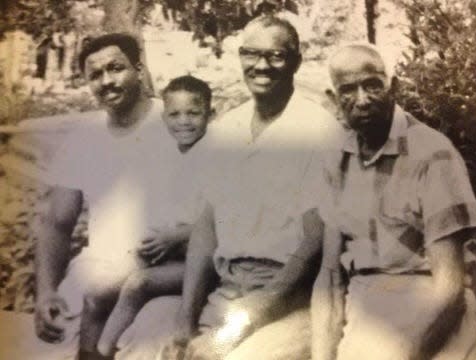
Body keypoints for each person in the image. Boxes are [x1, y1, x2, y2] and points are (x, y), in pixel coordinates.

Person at [163, 16, 341, 360]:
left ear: (296, 61)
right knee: (158, 347)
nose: (261, 66)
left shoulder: (317, 130)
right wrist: (184, 317)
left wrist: (243, 323)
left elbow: (314, 243)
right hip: (227, 289)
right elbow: (205, 227)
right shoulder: (227, 129)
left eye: (276, 56)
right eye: (251, 54)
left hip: (288, 298)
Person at [310, 44, 476, 360]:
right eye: (348, 89)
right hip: (367, 311)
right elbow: (331, 274)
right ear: (334, 99)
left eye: (372, 85)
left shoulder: (433, 153)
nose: (362, 100)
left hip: (435, 313)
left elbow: (450, 288)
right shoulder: (335, 161)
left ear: (394, 87)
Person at [33, 34, 197, 360]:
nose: (107, 81)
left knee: (143, 347)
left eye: (116, 68)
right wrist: (46, 291)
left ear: (138, 69)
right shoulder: (84, 137)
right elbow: (56, 223)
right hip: (98, 267)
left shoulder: (177, 124)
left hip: (166, 269)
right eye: (96, 75)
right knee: (47, 341)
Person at [96, 75, 214, 356]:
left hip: (207, 262)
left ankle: (103, 350)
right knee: (103, 287)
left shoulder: (216, 157)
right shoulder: (173, 157)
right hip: (173, 251)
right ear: (164, 118)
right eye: (175, 114)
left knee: (139, 284)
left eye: (193, 113)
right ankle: (95, 349)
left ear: (210, 113)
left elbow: (220, 222)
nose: (183, 121)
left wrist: (174, 236)